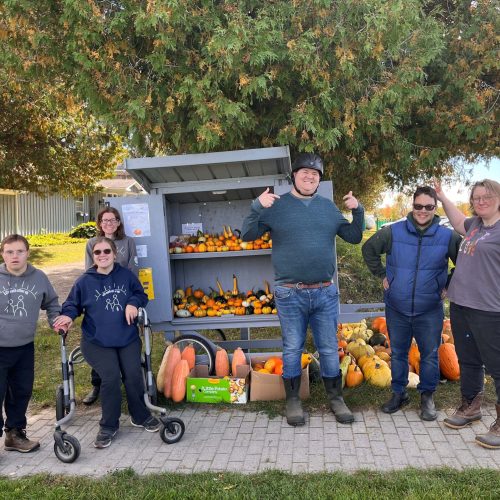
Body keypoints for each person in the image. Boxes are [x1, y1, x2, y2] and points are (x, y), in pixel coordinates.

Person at [241, 153, 364, 426]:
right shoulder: (276, 206)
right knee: (292, 348)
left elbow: (354, 237)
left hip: (324, 292)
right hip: (289, 292)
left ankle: (336, 398)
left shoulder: (328, 208)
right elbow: (247, 235)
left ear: (319, 180)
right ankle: (293, 401)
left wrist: (358, 210)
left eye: (315, 174)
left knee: (330, 348)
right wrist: (256, 207)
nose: (310, 176)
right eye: (304, 172)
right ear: (293, 176)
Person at [362, 186, 461, 421]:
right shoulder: (393, 232)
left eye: (429, 207)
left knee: (429, 354)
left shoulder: (448, 236)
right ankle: (399, 393)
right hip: (397, 306)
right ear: (412, 205)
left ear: (435, 208)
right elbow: (368, 250)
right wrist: (383, 275)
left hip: (429, 308)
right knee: (397, 353)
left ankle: (427, 397)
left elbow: (464, 263)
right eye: (419, 206)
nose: (423, 211)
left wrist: (448, 283)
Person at [54, 237, 157, 449]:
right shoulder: (84, 281)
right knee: (110, 377)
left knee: (133, 374)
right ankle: (109, 425)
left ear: (114, 254)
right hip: (96, 341)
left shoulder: (126, 276)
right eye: (98, 252)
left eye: (106, 251)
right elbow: (73, 304)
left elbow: (141, 294)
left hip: (126, 338)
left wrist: (132, 303)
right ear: (93, 256)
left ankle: (140, 415)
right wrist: (67, 317)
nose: (102, 255)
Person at [435, 179, 500, 449]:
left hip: (490, 310)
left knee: (498, 367)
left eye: (487, 197)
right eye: (476, 197)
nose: (481, 201)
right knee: (469, 360)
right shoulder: (475, 226)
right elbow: (458, 219)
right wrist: (442, 197)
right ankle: (471, 406)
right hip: (461, 306)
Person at [0, 234, 60, 452]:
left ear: (28, 253)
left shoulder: (39, 277)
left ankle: (14, 435)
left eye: (19, 251)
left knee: (21, 391)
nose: (15, 256)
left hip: (24, 347)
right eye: (9, 251)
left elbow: (52, 303)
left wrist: (57, 321)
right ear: (3, 254)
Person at [83, 207, 139, 406]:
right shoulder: (92, 243)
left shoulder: (128, 242)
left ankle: (130, 381)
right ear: (99, 223)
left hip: (124, 296)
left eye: (112, 220)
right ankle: (97, 384)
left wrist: (131, 299)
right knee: (100, 340)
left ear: (118, 222)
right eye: (104, 220)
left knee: (126, 339)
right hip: (102, 296)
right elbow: (90, 272)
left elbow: (133, 269)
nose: (108, 223)